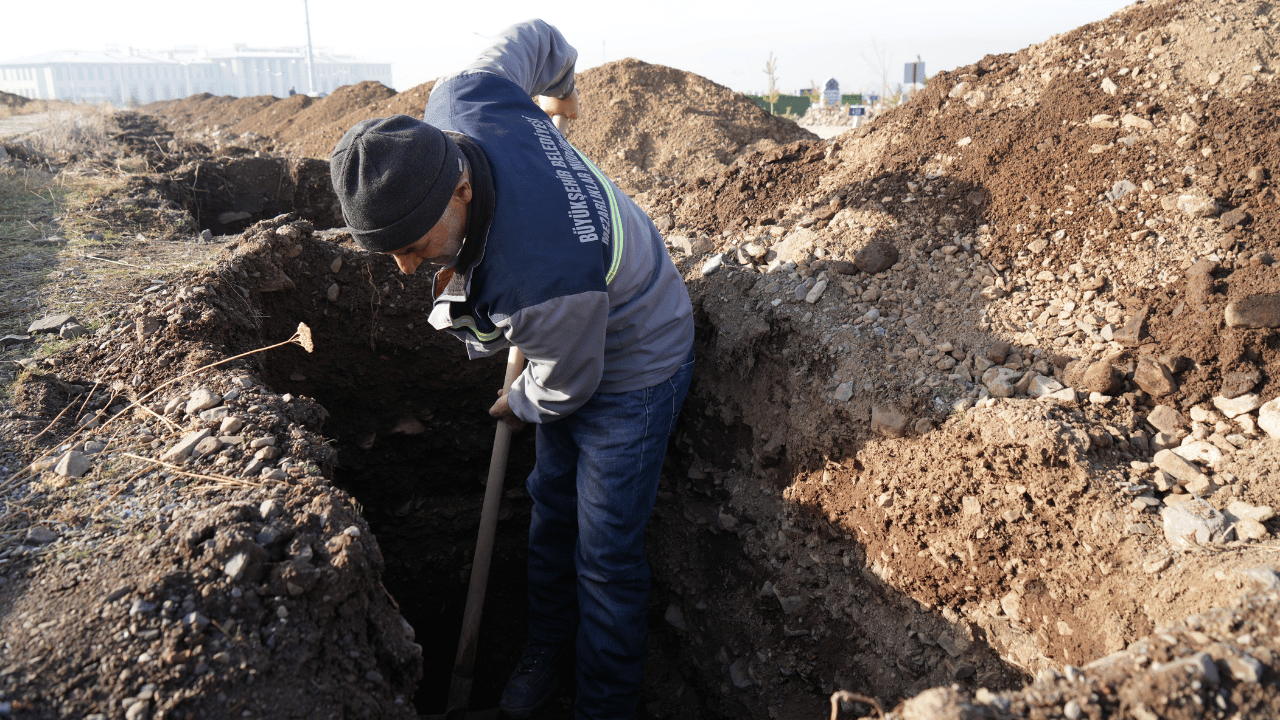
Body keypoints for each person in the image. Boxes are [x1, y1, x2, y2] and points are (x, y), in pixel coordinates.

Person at [328, 19, 695, 720]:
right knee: (551, 508)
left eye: (413, 245)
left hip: (635, 360)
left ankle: (603, 703)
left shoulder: (540, 273)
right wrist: (561, 98)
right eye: (391, 253)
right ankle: (547, 648)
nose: (408, 268)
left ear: (459, 187)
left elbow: (569, 384)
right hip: (573, 327)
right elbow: (535, 35)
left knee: (605, 555)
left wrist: (520, 403)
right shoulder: (465, 99)